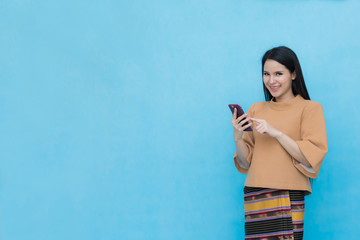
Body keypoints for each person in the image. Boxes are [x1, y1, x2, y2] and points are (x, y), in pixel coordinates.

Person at [231, 46, 328, 240]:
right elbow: (245, 162)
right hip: (256, 193)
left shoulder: (310, 109)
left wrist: (277, 133)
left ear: (293, 74)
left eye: (278, 73)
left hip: (288, 192)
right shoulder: (256, 109)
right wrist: (238, 137)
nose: (271, 80)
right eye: (266, 74)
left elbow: (310, 158)